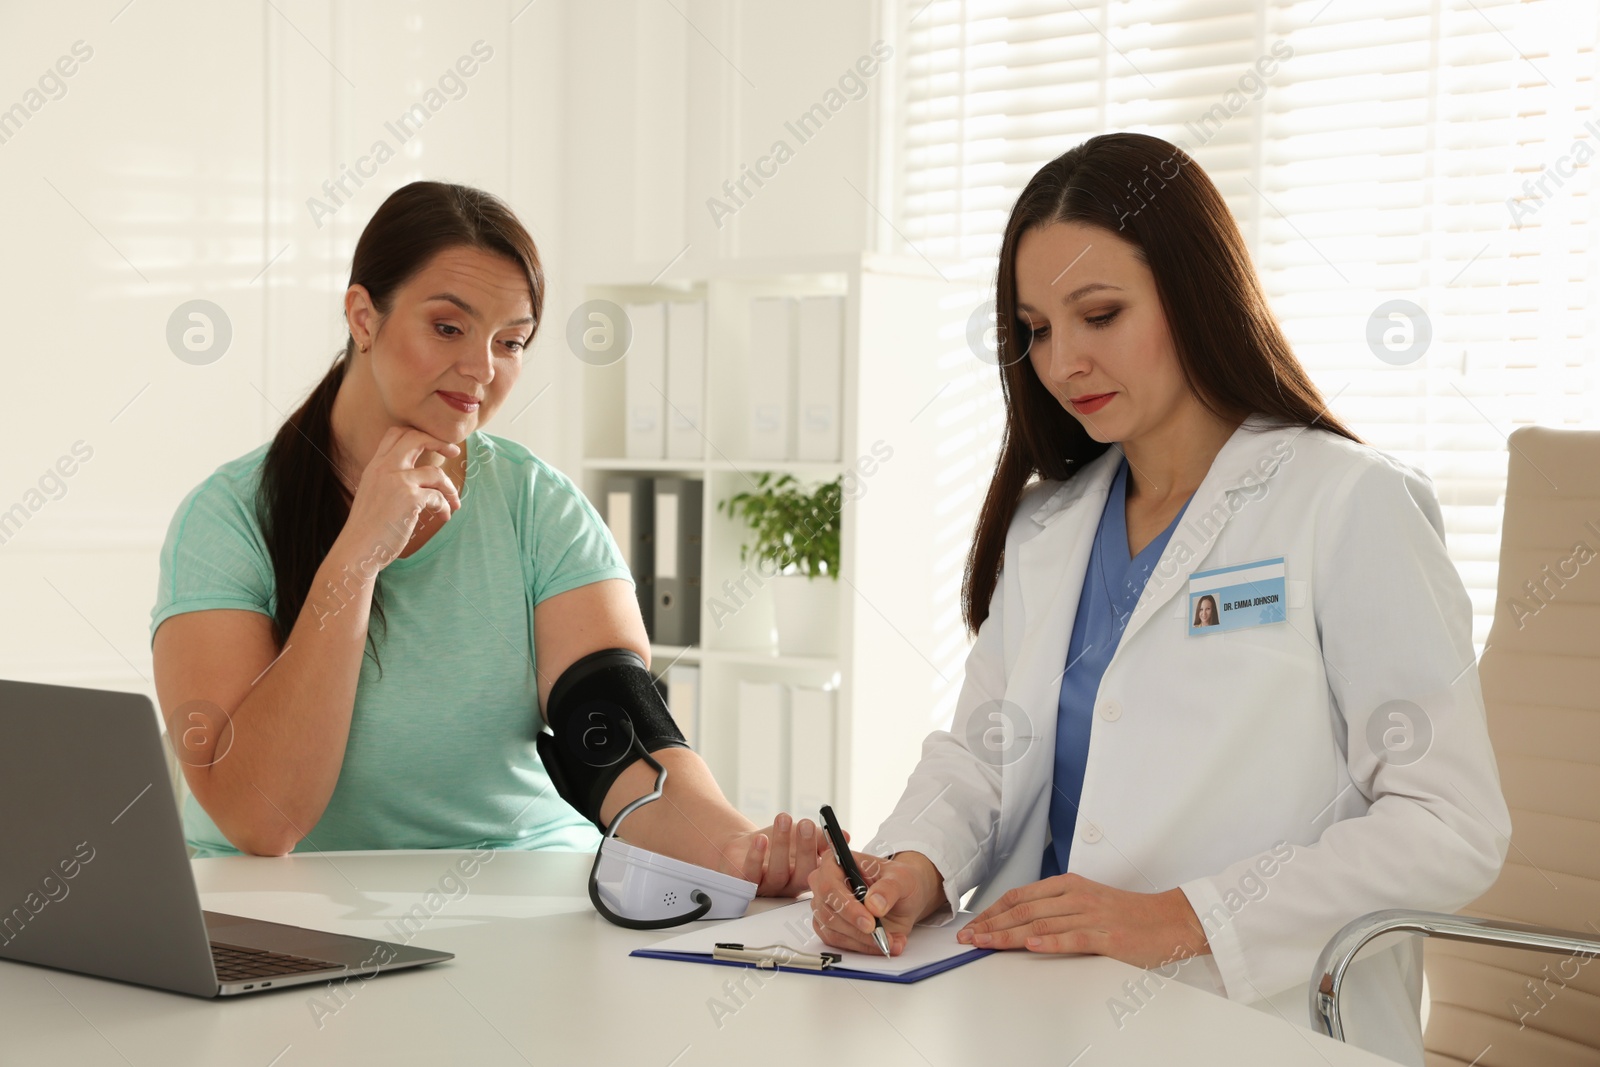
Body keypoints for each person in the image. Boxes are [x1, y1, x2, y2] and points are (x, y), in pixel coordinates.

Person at [806, 133, 1510, 1065]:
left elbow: (1448, 822)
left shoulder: (1346, 502)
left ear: (1194, 290)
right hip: (1026, 1005)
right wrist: (909, 870)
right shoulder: (1049, 524)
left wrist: (1182, 918)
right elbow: (983, 756)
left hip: (1248, 1025)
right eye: (1038, 329)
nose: (1063, 364)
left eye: (1099, 314)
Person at [151, 181, 824, 896]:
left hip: (515, 894)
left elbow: (611, 727)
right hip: (280, 908)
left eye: (511, 341)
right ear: (362, 315)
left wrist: (735, 849)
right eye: (448, 327)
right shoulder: (226, 518)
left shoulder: (538, 505)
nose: (481, 369)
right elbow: (263, 819)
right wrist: (359, 553)